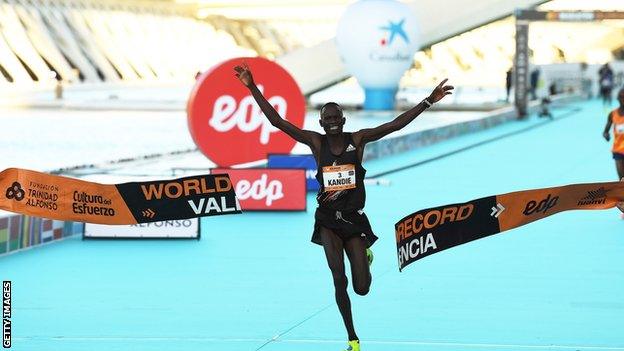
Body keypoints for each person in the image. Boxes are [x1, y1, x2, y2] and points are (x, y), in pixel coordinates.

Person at [234, 62, 453, 351]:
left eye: (337, 116)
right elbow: (278, 122)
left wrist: (427, 101)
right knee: (339, 278)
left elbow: (393, 125)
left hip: (354, 220)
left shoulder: (357, 140)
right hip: (327, 221)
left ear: (343, 120)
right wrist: (252, 86)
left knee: (361, 288)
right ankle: (353, 338)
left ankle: (366, 255)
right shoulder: (315, 142)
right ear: (322, 123)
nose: (333, 121)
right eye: (328, 118)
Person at [602, 88, 624, 217]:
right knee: (621, 180)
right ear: (617, 98)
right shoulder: (612, 114)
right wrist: (606, 135)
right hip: (618, 151)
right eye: (621, 96)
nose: (623, 99)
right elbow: (606, 129)